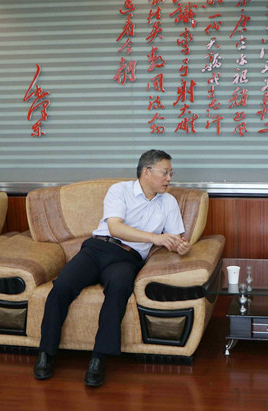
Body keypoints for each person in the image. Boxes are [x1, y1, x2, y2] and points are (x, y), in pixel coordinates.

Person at [34, 149, 191, 387]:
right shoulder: (120, 190)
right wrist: (155, 238)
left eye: (171, 173)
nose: (169, 178)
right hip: (97, 249)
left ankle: (98, 358)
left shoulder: (168, 202)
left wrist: (181, 246)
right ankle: (46, 353)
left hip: (127, 258)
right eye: (165, 172)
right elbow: (115, 228)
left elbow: (176, 239)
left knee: (118, 289)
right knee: (62, 285)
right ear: (146, 172)